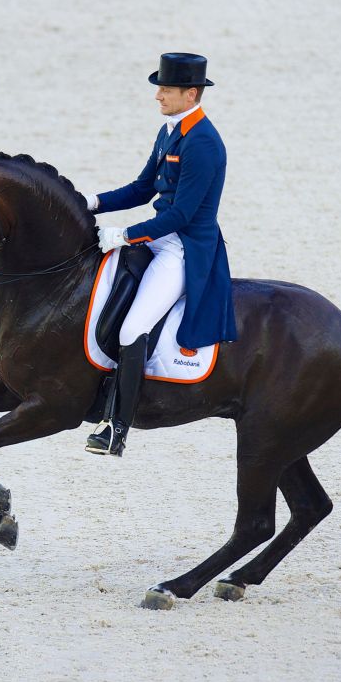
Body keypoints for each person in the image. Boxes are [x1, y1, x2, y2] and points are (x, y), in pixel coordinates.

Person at [83, 52, 238, 457]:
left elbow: (181, 214)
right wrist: (91, 202)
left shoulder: (204, 143)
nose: (158, 96)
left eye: (166, 89)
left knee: (133, 329)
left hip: (184, 248)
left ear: (191, 94)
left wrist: (125, 235)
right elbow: (142, 188)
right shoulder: (169, 131)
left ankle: (117, 428)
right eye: (159, 88)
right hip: (159, 237)